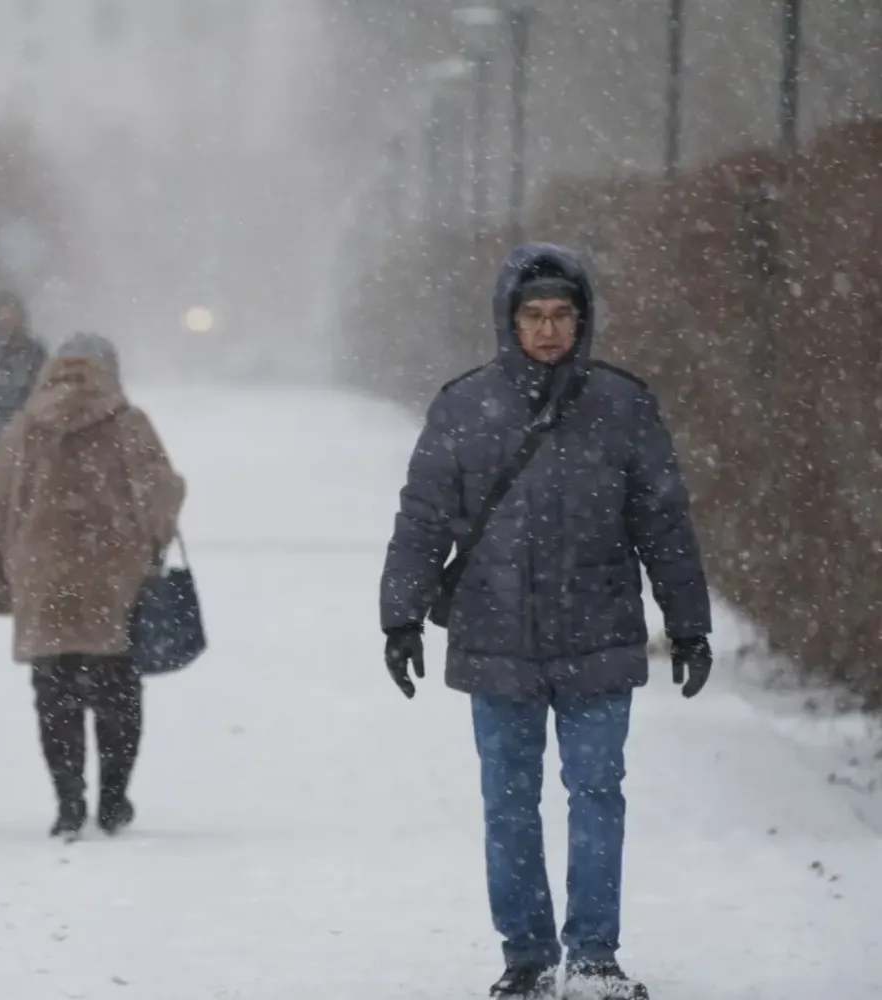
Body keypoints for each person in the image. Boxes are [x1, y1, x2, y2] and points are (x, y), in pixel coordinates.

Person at [378, 244, 713, 1000]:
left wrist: (688, 623)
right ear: (509, 320)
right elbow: (424, 518)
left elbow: (663, 522)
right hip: (496, 632)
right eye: (534, 315)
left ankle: (594, 955)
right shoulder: (463, 407)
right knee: (509, 801)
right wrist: (400, 617)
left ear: (583, 320)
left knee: (598, 793)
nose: (550, 329)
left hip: (599, 629)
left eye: (563, 314)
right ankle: (526, 957)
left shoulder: (624, 406)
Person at [0, 333, 185, 840]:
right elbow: (161, 496)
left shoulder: (24, 429)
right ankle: (113, 800)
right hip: (115, 579)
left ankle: (69, 801)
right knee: (118, 693)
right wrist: (152, 544)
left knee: (54, 693)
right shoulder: (128, 424)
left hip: (43, 579)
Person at [0, 289, 49, 453]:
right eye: (2, 312)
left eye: (12, 312)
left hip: (26, 436)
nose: (7, 318)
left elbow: (42, 392)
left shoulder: (35, 352)